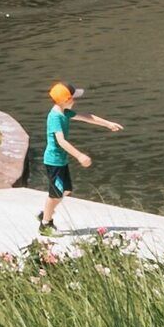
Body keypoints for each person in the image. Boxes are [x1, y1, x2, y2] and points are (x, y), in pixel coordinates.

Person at [35, 80, 126, 233]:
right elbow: (61, 141)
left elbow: (87, 116)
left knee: (66, 190)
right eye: (73, 98)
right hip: (53, 161)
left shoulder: (64, 112)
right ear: (66, 100)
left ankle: (46, 212)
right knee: (56, 194)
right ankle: (45, 224)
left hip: (61, 161)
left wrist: (108, 123)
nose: (75, 101)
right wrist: (79, 155)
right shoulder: (55, 117)